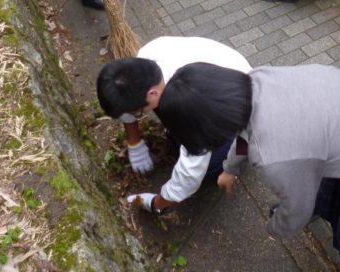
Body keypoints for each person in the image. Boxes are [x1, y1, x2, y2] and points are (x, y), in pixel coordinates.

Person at [156, 63, 340, 272]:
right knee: (330, 185)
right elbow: (246, 132)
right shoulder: (256, 80)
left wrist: (275, 227)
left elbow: (297, 208)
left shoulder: (276, 156)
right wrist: (230, 168)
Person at [97, 37, 251, 214]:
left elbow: (190, 173)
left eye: (138, 113)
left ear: (153, 92)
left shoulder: (188, 105)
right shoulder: (146, 59)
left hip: (242, 117)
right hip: (224, 77)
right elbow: (125, 102)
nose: (136, 117)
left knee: (210, 169)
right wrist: (134, 142)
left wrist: (156, 203)